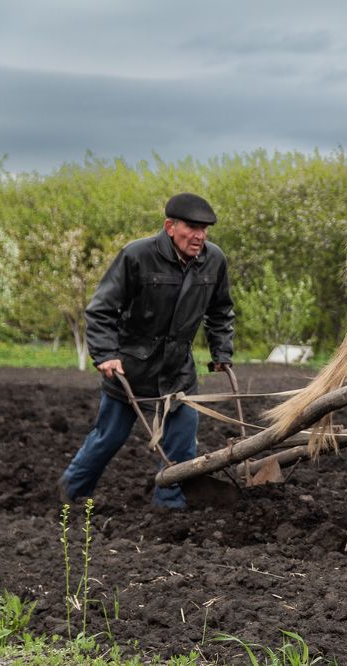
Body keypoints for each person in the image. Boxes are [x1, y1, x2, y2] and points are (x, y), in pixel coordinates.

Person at [59, 192, 235, 509]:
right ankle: (70, 492)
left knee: (181, 441)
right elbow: (101, 310)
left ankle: (170, 506)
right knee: (108, 438)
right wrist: (105, 354)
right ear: (170, 226)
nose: (200, 236)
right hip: (129, 368)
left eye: (205, 229)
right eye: (192, 228)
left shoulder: (214, 260)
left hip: (178, 370)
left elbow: (220, 310)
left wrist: (222, 351)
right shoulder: (137, 256)